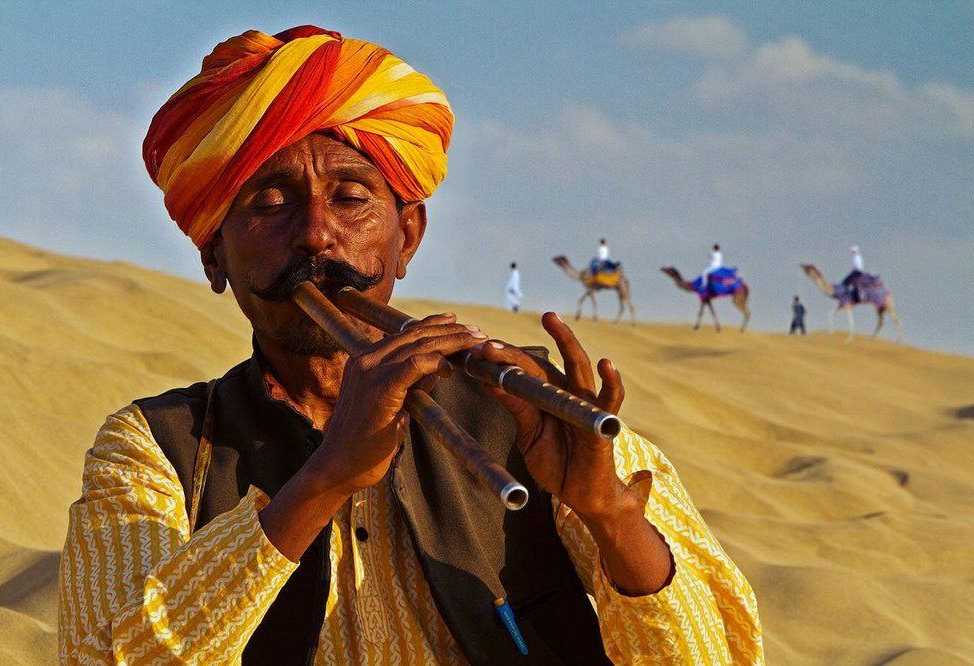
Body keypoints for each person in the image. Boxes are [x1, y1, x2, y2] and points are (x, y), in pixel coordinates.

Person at [59, 25, 763, 665]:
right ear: (215, 256)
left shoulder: (527, 405)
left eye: (350, 198)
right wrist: (325, 477)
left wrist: (609, 513)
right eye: (269, 203)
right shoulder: (154, 448)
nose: (315, 235)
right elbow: (101, 659)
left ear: (408, 238)